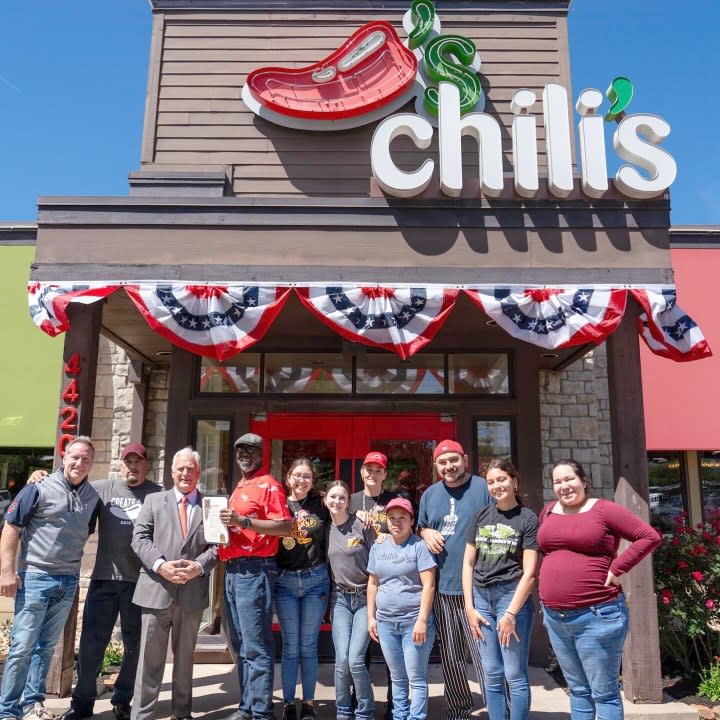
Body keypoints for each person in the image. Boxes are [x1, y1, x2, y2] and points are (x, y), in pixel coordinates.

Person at [28, 443, 161, 720]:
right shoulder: (101, 489)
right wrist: (42, 474)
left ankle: (122, 700)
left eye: (138, 462)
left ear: (146, 464)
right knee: (90, 646)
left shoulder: (157, 495)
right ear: (120, 463)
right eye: (128, 461)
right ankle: (82, 703)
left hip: (141, 582)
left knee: (135, 646)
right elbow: (69, 482)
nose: (132, 467)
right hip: (104, 579)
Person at [537, 459, 662, 720]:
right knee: (578, 690)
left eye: (569, 479)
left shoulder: (604, 510)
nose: (564, 486)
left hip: (597, 616)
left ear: (584, 481)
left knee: (603, 692)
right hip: (555, 617)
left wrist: (618, 568)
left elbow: (649, 536)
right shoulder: (548, 511)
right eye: (557, 482)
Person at [0, 437, 101, 720]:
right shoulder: (38, 488)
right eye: (75, 457)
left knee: (46, 648)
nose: (79, 463)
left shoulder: (93, 497)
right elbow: (11, 527)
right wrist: (7, 572)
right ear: (64, 457)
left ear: (92, 463)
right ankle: (8, 710)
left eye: (86, 459)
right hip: (34, 577)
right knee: (22, 646)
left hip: (67, 580)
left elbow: (84, 532)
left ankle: (33, 705)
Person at [130, 447, 217, 720]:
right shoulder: (154, 501)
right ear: (171, 472)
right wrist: (160, 565)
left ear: (198, 473)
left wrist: (199, 566)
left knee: (184, 659)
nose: (185, 474)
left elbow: (217, 547)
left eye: (190, 469)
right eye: (180, 469)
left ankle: (182, 712)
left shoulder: (210, 506)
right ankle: (141, 714)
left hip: (191, 593)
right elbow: (139, 539)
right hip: (156, 589)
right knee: (149, 660)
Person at [218, 433, 292, 720]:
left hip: (255, 570)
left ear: (261, 453)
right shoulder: (240, 486)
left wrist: (243, 521)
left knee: (257, 647)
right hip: (233, 570)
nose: (244, 455)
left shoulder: (269, 485)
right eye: (240, 450)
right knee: (240, 646)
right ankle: (247, 707)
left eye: (250, 450)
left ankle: (262, 712)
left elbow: (286, 526)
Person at [417, 439, 491, 720]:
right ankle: (459, 711)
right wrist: (425, 533)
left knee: (487, 657)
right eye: (442, 462)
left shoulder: (483, 489)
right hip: (443, 588)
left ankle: (499, 709)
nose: (448, 466)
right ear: (436, 465)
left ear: (465, 459)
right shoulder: (430, 495)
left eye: (453, 460)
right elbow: (421, 525)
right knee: (452, 657)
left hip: (480, 588)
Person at [462, 458, 538, 720]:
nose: (497, 486)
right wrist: (469, 608)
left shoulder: (527, 518)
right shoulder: (480, 515)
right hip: (481, 599)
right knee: (491, 672)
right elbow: (468, 563)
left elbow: (529, 573)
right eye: (491, 482)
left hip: (511, 598)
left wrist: (511, 615)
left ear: (515, 482)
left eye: (502, 479)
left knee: (514, 674)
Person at [367, 498, 436, 720]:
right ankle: (399, 716)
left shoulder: (419, 546)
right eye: (392, 518)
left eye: (402, 518)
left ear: (412, 520)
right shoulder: (379, 546)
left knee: (416, 678)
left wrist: (422, 621)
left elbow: (429, 585)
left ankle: (416, 717)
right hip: (386, 623)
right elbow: (373, 584)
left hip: (413, 623)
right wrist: (371, 617)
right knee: (397, 678)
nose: (396, 523)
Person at [275, 458, 330, 720]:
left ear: (312, 480)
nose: (301, 480)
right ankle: (288, 704)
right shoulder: (278, 503)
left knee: (308, 645)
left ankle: (308, 703)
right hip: (284, 582)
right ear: (288, 478)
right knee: (290, 646)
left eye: (306, 476)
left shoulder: (321, 504)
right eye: (297, 475)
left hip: (315, 581)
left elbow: (344, 513)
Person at [350, 452, 397, 719]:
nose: (372, 473)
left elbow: (406, 529)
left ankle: (394, 703)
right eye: (368, 468)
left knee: (391, 648)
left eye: (377, 470)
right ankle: (360, 700)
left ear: (384, 474)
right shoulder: (352, 500)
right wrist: (354, 512)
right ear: (361, 472)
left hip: (388, 582)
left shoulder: (393, 500)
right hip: (358, 582)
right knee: (360, 651)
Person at [325, 480, 375, 720]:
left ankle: (365, 712)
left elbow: (378, 556)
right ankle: (343, 712)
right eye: (332, 497)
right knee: (341, 660)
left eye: (342, 497)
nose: (337, 502)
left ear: (348, 501)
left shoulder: (361, 524)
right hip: (341, 599)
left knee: (356, 659)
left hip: (366, 597)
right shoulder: (325, 528)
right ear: (326, 500)